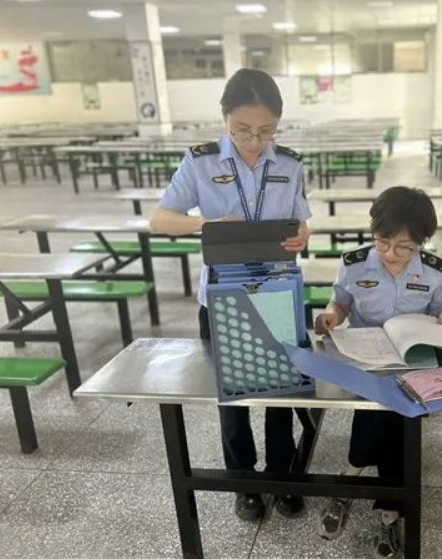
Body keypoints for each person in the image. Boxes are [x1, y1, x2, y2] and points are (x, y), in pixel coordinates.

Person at [150, 68, 311, 522]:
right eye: (242, 129)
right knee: (233, 396)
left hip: (277, 292)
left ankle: (282, 476)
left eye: (266, 130)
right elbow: (160, 219)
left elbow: (301, 220)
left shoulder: (290, 163)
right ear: (225, 118)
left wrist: (303, 233)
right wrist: (207, 224)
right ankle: (244, 482)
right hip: (223, 296)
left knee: (281, 392)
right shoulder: (200, 162)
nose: (254, 140)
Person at [313, 186, 442, 558]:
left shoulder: (435, 270)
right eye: (382, 242)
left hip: (413, 360)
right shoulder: (354, 263)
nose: (390, 253)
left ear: (421, 242)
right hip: (367, 358)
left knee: (399, 418)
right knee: (380, 412)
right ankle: (388, 506)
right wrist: (331, 316)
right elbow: (340, 303)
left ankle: (354, 480)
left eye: (403, 247)